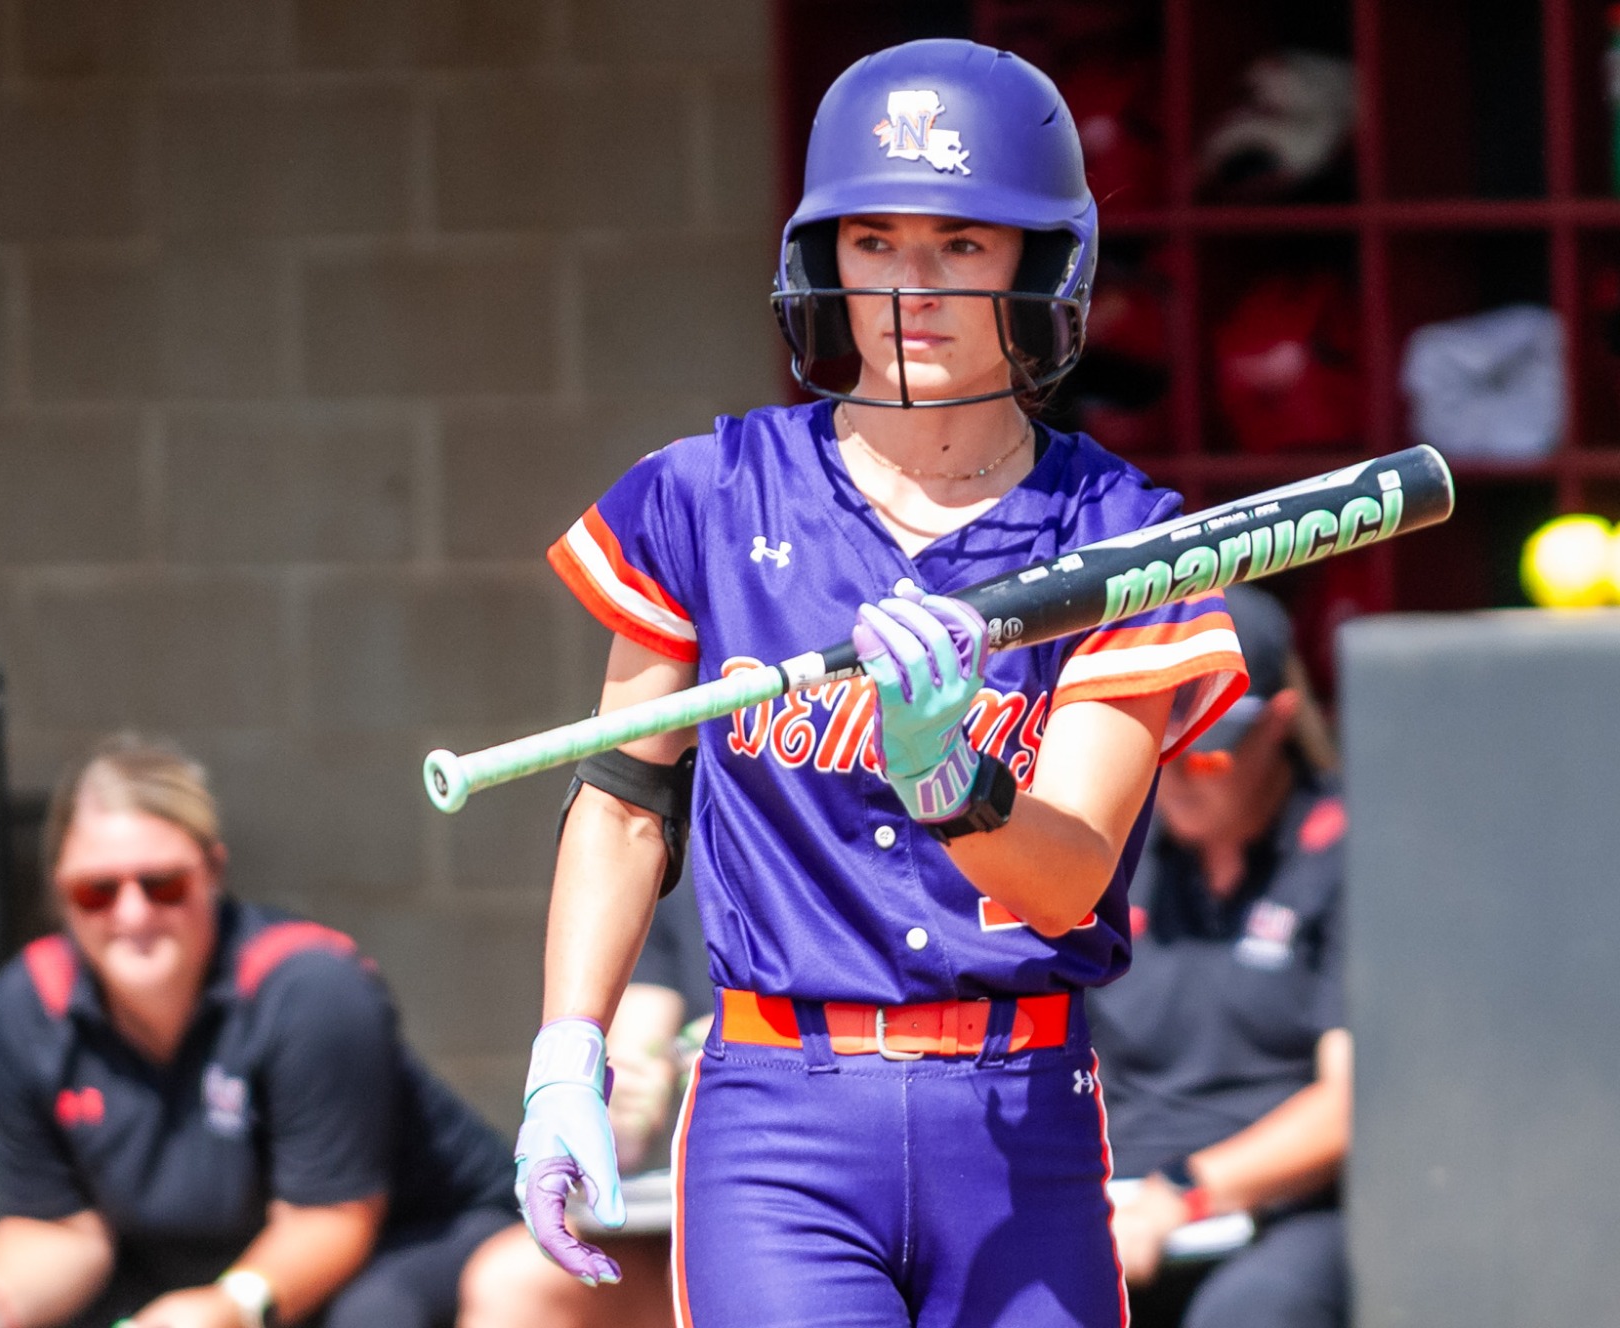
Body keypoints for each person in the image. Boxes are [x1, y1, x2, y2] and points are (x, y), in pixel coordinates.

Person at [514, 38, 1250, 1328]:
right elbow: (627, 798)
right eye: (872, 240)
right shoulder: (705, 492)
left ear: (1040, 264)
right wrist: (562, 1053)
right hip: (776, 1117)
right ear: (823, 259)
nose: (910, 285)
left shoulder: (1124, 532)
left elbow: (1066, 868)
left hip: (1019, 1119)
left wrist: (946, 775)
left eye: (960, 244)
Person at [0, 736, 516, 1328]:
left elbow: (331, 1218)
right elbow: (63, 1231)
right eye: (97, 892)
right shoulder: (27, 1007)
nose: (132, 915)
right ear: (60, 897)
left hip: (412, 1238)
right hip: (209, 1272)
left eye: (162, 884)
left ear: (213, 872)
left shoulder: (310, 990)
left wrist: (228, 1307)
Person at [1088, 587, 1352, 1328]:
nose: (1174, 775)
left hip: (1283, 1212)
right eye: (1156, 747)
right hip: (1113, 1199)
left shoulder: (1341, 853)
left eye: (1204, 753)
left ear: (1277, 725)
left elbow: (1349, 1103)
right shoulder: (1110, 856)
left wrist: (1185, 1193)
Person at [459, 875, 713, 1328]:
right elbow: (630, 1104)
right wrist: (622, 1095)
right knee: (510, 1286)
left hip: (813, 1185)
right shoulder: (683, 874)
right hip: (687, 1214)